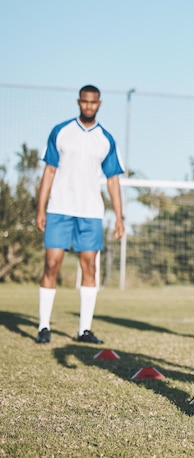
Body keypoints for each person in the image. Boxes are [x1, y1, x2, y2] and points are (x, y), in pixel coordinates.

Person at [35, 84, 125, 345]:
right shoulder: (61, 131)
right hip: (59, 209)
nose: (88, 106)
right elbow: (49, 171)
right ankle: (43, 326)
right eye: (84, 102)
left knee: (89, 267)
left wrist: (119, 217)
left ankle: (84, 330)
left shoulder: (106, 138)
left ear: (99, 104)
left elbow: (112, 180)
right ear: (78, 102)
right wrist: (40, 208)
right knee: (51, 265)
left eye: (93, 102)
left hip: (90, 212)